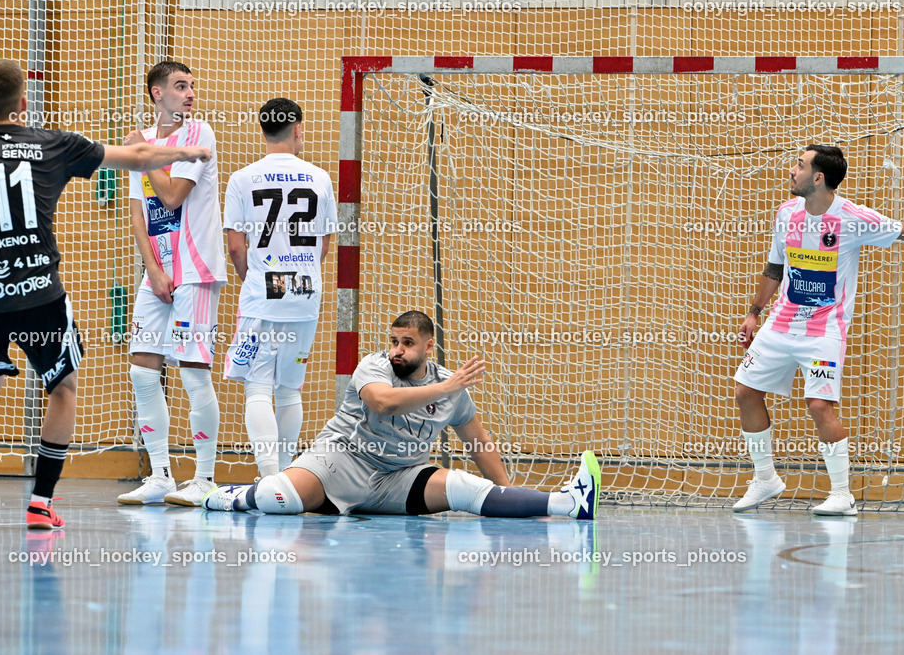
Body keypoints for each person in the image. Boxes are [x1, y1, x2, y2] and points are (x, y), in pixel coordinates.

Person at [0, 58, 212, 527]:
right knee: (62, 388)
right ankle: (41, 502)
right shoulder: (53, 143)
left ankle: (196, 475)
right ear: (24, 104)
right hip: (41, 294)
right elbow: (141, 158)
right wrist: (191, 154)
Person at [733, 144, 904, 515]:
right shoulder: (786, 213)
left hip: (824, 331)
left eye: (799, 166)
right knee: (745, 392)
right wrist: (754, 313)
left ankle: (842, 494)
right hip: (781, 324)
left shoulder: (852, 217)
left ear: (818, 177)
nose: (791, 171)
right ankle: (765, 479)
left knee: (819, 406)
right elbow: (774, 268)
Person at [202, 311, 601, 520]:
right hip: (340, 461)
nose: (397, 350)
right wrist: (447, 388)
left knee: (463, 485)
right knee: (279, 498)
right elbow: (382, 403)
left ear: (428, 346)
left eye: (407, 343)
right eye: (393, 341)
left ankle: (566, 504)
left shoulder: (450, 387)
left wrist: (507, 492)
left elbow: (478, 442)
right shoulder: (374, 368)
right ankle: (231, 496)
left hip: (397, 478)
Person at [117, 61, 227, 507]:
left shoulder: (198, 134)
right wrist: (153, 271)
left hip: (196, 272)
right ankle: (160, 475)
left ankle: (203, 478)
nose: (190, 94)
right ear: (156, 93)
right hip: (157, 273)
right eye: (180, 86)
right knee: (142, 369)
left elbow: (171, 196)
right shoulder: (140, 143)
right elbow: (139, 215)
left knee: (192, 370)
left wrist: (143, 153)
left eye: (192, 86)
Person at [222, 98, 337, 477]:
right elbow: (324, 243)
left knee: (258, 386)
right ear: (298, 129)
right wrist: (299, 276)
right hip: (305, 293)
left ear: (262, 130)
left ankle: (269, 476)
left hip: (262, 293)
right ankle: (287, 475)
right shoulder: (319, 177)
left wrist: (253, 278)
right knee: (290, 388)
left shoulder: (242, 178)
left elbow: (236, 246)